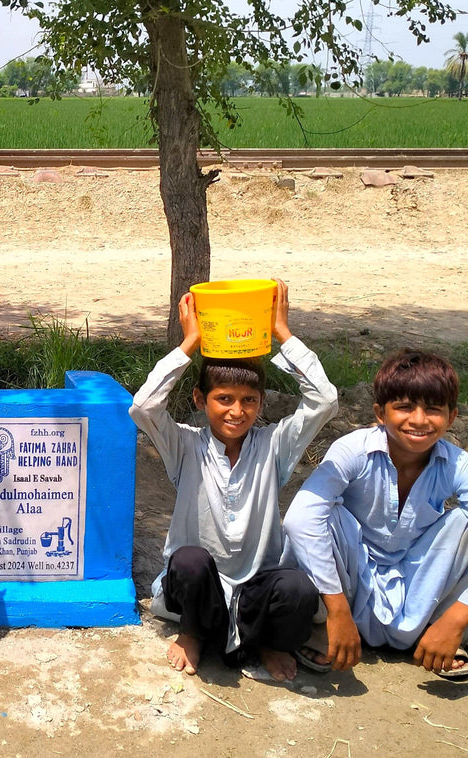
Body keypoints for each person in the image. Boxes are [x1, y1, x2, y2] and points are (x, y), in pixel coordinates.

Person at [129, 280, 338, 681]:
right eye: (224, 398)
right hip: (195, 589)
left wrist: (283, 334)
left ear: (261, 403)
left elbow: (324, 401)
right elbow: (143, 406)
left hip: (256, 589)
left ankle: (267, 643)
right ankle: (192, 633)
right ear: (199, 399)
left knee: (298, 589)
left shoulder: (274, 445)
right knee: (189, 560)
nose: (237, 411)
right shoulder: (186, 446)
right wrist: (190, 342)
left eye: (249, 401)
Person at [283, 349, 468, 679]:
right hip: (352, 580)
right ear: (380, 413)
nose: (419, 420)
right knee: (323, 514)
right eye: (405, 407)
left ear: (451, 417)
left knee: (461, 523)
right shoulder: (354, 449)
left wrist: (458, 616)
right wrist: (337, 610)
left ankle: (444, 632)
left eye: (433, 410)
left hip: (418, 585)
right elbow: (299, 519)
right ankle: (321, 627)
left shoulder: (456, 463)